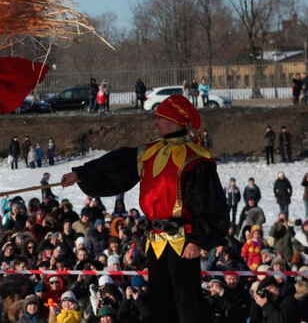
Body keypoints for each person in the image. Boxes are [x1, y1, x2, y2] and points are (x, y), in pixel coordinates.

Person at [60, 94, 229, 323]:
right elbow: (115, 165)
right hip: (156, 240)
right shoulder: (148, 152)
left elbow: (210, 203)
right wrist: (80, 174)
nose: (155, 123)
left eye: (159, 117)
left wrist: (198, 240)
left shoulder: (195, 158)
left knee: (186, 302)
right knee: (159, 302)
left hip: (182, 240)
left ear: (173, 120)